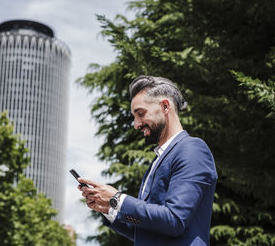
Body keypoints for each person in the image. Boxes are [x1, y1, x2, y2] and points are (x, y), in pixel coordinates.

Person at [78, 75, 218, 245]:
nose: (136, 124)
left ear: (165, 106)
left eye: (141, 114)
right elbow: (147, 230)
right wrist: (108, 208)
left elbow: (174, 220)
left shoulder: (192, 149)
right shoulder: (158, 161)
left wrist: (117, 199)